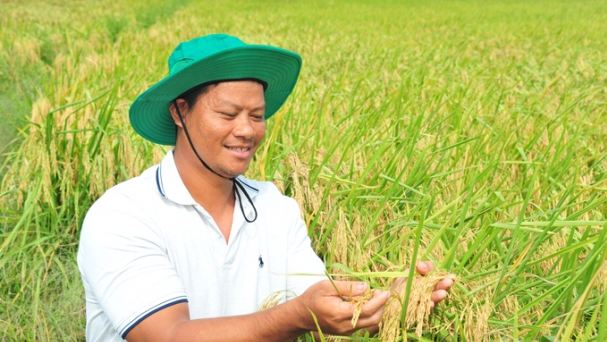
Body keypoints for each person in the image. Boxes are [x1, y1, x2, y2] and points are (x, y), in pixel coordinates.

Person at [77, 34, 454, 342]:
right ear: (179, 112)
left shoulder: (276, 209)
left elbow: (327, 309)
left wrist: (395, 301)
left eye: (257, 116)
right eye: (227, 114)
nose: (246, 131)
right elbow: (169, 336)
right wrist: (296, 316)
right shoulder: (124, 215)